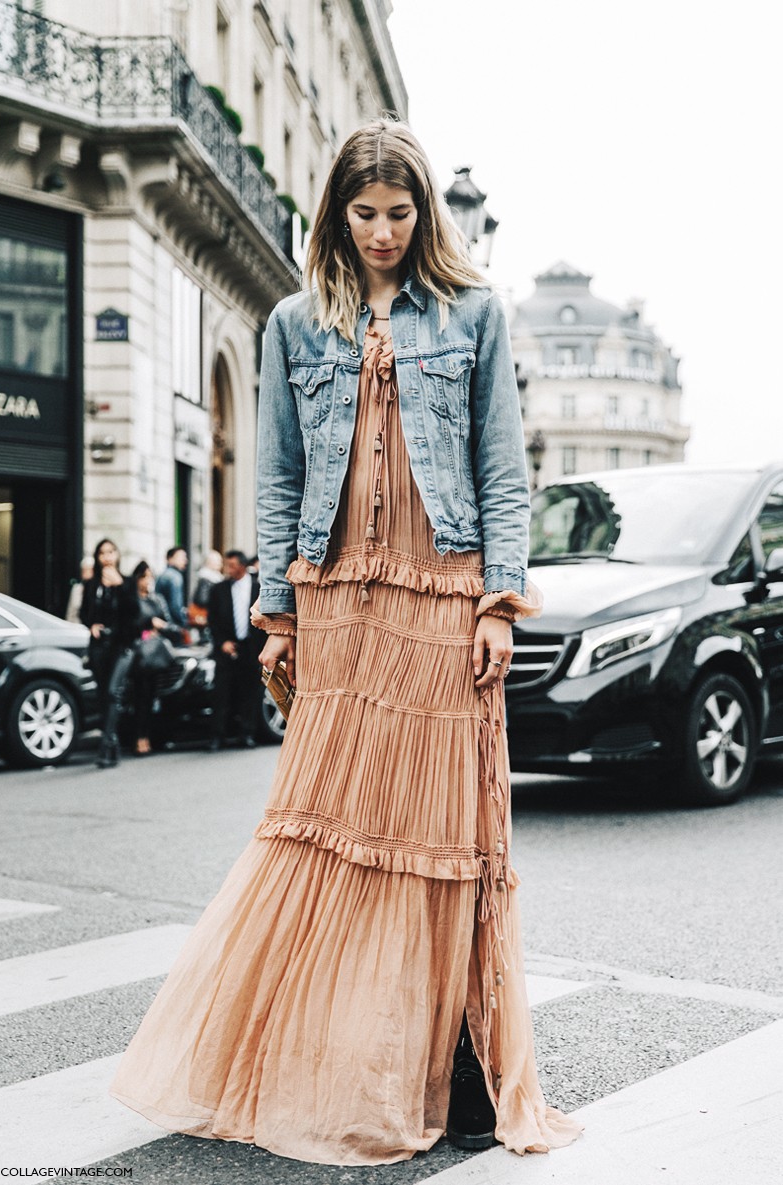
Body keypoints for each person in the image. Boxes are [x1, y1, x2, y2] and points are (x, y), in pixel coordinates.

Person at [111, 120, 584, 1163]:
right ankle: (316, 1057)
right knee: (325, 827)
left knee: (449, 838)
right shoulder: (293, 322)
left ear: (425, 216)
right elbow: (277, 477)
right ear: (336, 215)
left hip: (443, 590)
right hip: (337, 598)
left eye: (398, 213)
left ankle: (446, 1065)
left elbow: (503, 472)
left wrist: (498, 605)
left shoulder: (473, 314)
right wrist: (279, 618)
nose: (380, 231)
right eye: (363, 213)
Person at [80, 539, 137, 768]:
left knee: (114, 692)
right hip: (99, 647)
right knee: (103, 695)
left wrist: (120, 586)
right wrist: (92, 624)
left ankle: (105, 746)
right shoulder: (92, 584)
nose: (107, 556)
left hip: (121, 646)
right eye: (103, 553)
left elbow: (134, 612)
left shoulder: (128, 582)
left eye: (111, 551)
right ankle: (112, 743)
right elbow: (84, 613)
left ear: (117, 555)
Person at [205, 549, 263, 751]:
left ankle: (247, 733)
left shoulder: (258, 587)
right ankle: (217, 735)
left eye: (231, 565)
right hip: (227, 646)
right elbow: (212, 620)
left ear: (241, 566)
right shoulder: (218, 589)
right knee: (221, 692)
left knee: (250, 692)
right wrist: (221, 642)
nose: (228, 569)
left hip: (250, 646)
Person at [129, 561, 174, 756]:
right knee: (141, 698)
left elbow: (169, 623)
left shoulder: (156, 599)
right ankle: (140, 738)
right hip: (139, 656)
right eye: (144, 576)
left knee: (155, 698)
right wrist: (148, 625)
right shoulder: (132, 600)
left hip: (156, 655)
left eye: (150, 576)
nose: (148, 580)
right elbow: (129, 623)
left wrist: (160, 626)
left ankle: (154, 737)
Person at [187, 550, 224, 627]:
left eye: (220, 560)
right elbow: (202, 599)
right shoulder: (206, 578)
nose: (220, 563)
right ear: (208, 562)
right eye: (217, 561)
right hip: (204, 616)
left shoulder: (215, 577)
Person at [154, 546, 188, 629]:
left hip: (161, 621)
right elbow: (175, 605)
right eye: (181, 557)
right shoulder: (175, 576)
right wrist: (183, 622)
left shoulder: (161, 575)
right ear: (170, 559)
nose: (185, 560)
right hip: (172, 624)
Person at [65, 555, 94, 624]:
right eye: (84, 570)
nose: (86, 573)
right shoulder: (76, 588)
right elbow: (70, 612)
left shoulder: (99, 589)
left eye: (89, 570)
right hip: (77, 627)